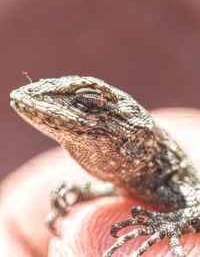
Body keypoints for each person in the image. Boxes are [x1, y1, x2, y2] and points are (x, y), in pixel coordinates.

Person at [1, 109, 200, 257]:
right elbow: (128, 189)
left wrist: (166, 224)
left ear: (138, 137)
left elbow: (196, 208)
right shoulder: (135, 181)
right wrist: (93, 192)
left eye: (89, 102)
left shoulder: (175, 182)